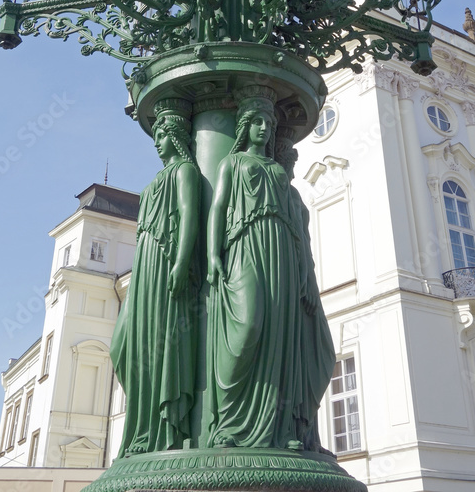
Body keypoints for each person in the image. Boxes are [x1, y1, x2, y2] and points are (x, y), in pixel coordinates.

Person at [206, 93, 303, 449]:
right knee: (247, 326)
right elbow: (218, 207)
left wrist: (302, 269)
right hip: (244, 244)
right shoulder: (232, 163)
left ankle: (279, 427)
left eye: (269, 123)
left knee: (280, 335)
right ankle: (229, 423)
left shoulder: (278, 171)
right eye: (257, 122)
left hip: (279, 250)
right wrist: (213, 253)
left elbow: (295, 224)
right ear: (245, 127)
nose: (264, 128)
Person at [111, 103, 200, 455]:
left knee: (164, 344)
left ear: (178, 138)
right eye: (157, 135)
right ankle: (142, 427)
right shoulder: (150, 188)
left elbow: (191, 215)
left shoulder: (185, 173)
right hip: (145, 270)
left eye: (165, 134)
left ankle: (166, 429)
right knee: (123, 346)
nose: (158, 141)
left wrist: (181, 262)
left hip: (167, 265)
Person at [276, 132, 335, 453]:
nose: (291, 165)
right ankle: (285, 430)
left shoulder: (296, 198)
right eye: (286, 159)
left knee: (322, 355)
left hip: (301, 286)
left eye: (292, 160)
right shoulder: (255, 178)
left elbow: (306, 249)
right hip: (275, 279)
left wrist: (309, 284)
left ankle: (306, 429)